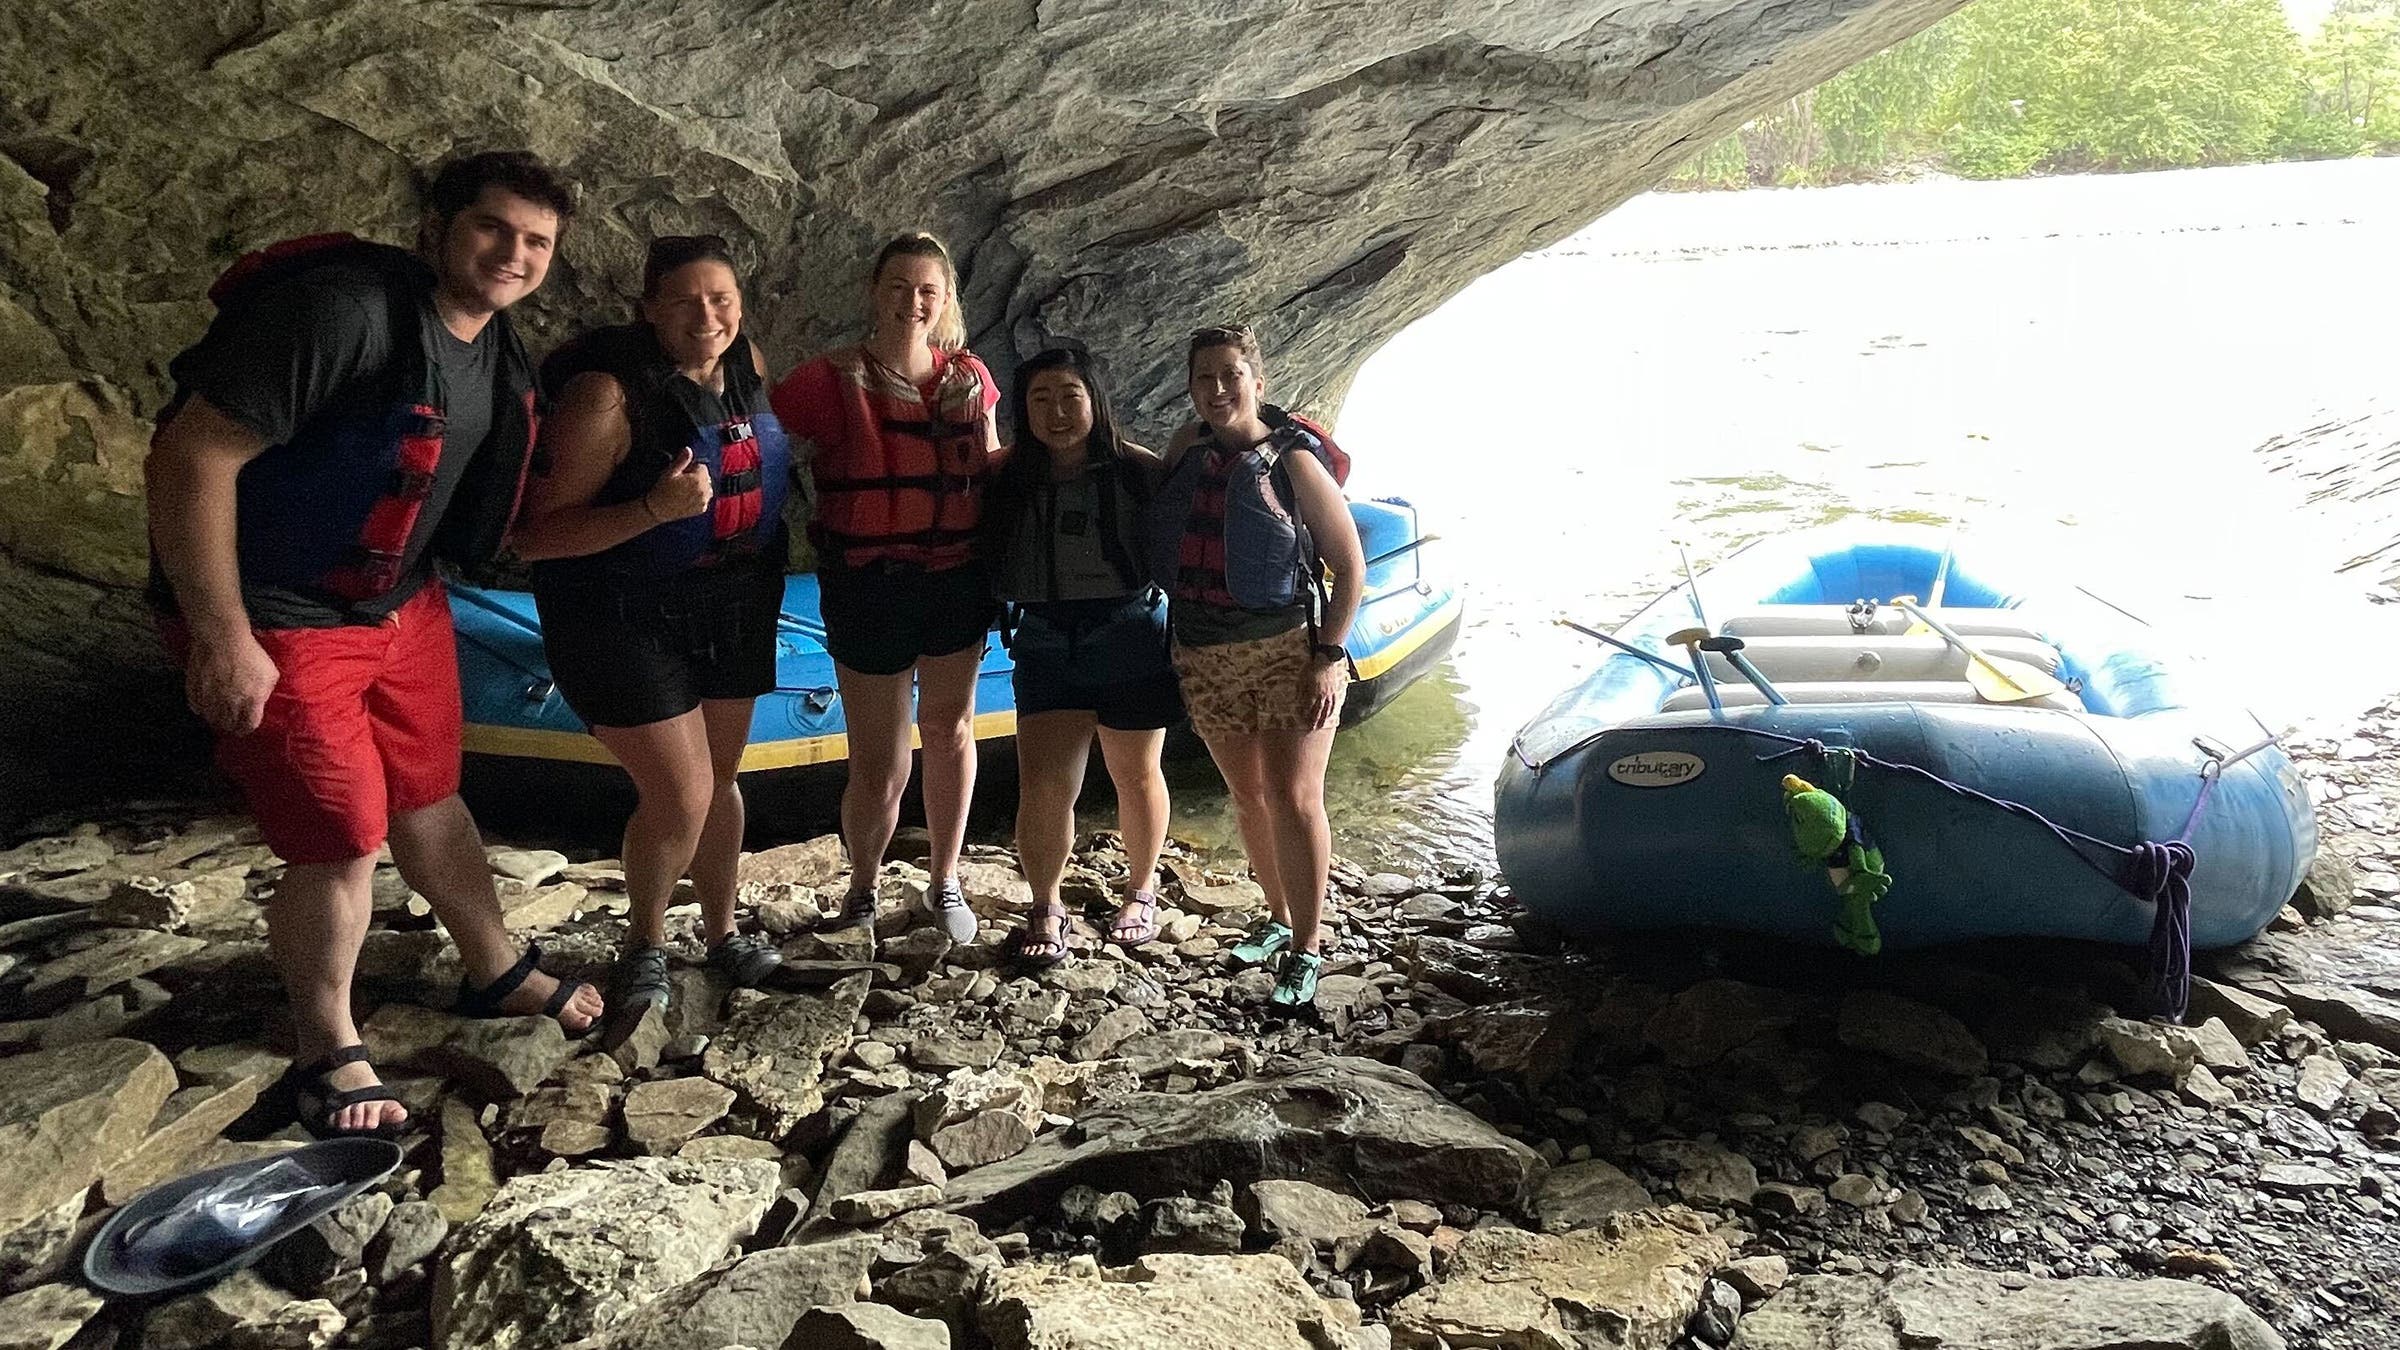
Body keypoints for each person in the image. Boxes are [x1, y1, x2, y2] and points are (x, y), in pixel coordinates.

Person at [145, 151, 605, 1138]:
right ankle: (326, 1046)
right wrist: (222, 637)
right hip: (279, 607)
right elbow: (192, 455)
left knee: (431, 794)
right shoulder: (342, 313)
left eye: (537, 242)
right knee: (344, 831)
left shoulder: (500, 348)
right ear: (435, 227)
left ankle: (495, 969)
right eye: (493, 228)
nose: (513, 254)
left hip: (402, 604)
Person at [508, 236, 790, 1024]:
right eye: (685, 302)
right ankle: (643, 943)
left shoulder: (747, 365)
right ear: (649, 310)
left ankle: (724, 930)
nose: (708, 316)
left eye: (722, 299)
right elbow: (533, 535)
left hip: (732, 601)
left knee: (720, 781)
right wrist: (652, 512)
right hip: (620, 612)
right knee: (680, 790)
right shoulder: (606, 396)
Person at [770, 232, 999, 950]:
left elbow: (991, 465)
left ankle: (945, 878)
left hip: (957, 580)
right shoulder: (826, 380)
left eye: (927, 288)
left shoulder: (970, 378)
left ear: (946, 299)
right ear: (875, 292)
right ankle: (863, 886)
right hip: (869, 585)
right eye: (899, 286)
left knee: (951, 730)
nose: (913, 301)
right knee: (879, 758)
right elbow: (757, 443)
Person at [1148, 324, 1365, 1009]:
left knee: (1296, 798)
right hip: (1204, 651)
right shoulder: (1187, 449)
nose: (1217, 390)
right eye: (1204, 378)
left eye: (1230, 375)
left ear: (1257, 382)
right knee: (1248, 795)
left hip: (1285, 652)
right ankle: (1276, 917)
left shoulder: (1294, 463)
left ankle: (1308, 946)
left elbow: (1349, 564)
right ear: (1191, 388)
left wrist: (1328, 657)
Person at [984, 348, 1179, 966]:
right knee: (1045, 783)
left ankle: (1142, 889)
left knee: (1136, 772)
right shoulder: (1007, 477)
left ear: (1095, 401)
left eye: (1071, 396)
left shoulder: (1137, 471)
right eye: (1041, 399)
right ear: (1023, 409)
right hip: (1044, 637)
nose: (1057, 412)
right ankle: (1045, 904)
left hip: (1129, 632)